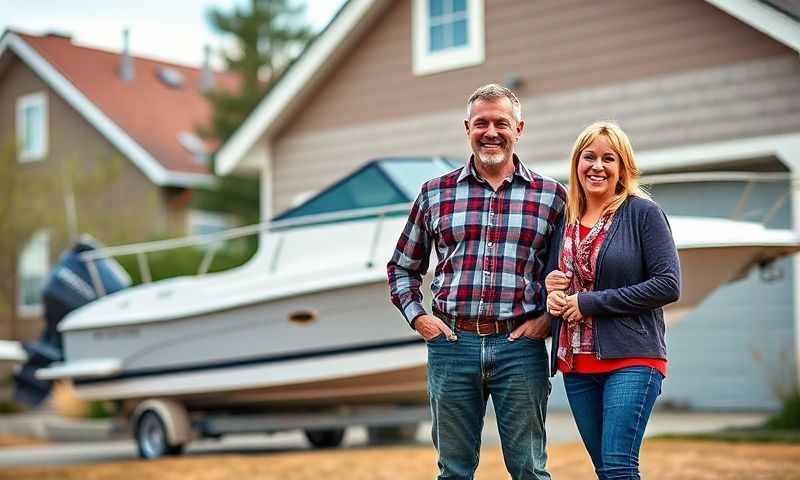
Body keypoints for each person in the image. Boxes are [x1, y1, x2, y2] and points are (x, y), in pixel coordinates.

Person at [387, 84, 566, 480]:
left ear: (519, 129)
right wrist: (419, 319)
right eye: (481, 123)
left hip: (520, 348)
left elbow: (568, 276)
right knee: (453, 472)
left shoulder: (552, 197)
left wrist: (547, 323)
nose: (491, 131)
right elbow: (402, 267)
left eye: (501, 123)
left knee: (530, 470)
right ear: (467, 128)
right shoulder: (434, 194)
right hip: (452, 345)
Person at [546, 121, 680, 480]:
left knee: (620, 467)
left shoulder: (643, 213)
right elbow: (552, 280)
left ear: (623, 167)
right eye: (589, 157)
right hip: (576, 364)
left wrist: (589, 302)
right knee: (605, 469)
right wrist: (553, 293)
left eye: (609, 158)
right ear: (577, 163)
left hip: (633, 358)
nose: (598, 166)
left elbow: (668, 285)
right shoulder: (565, 220)